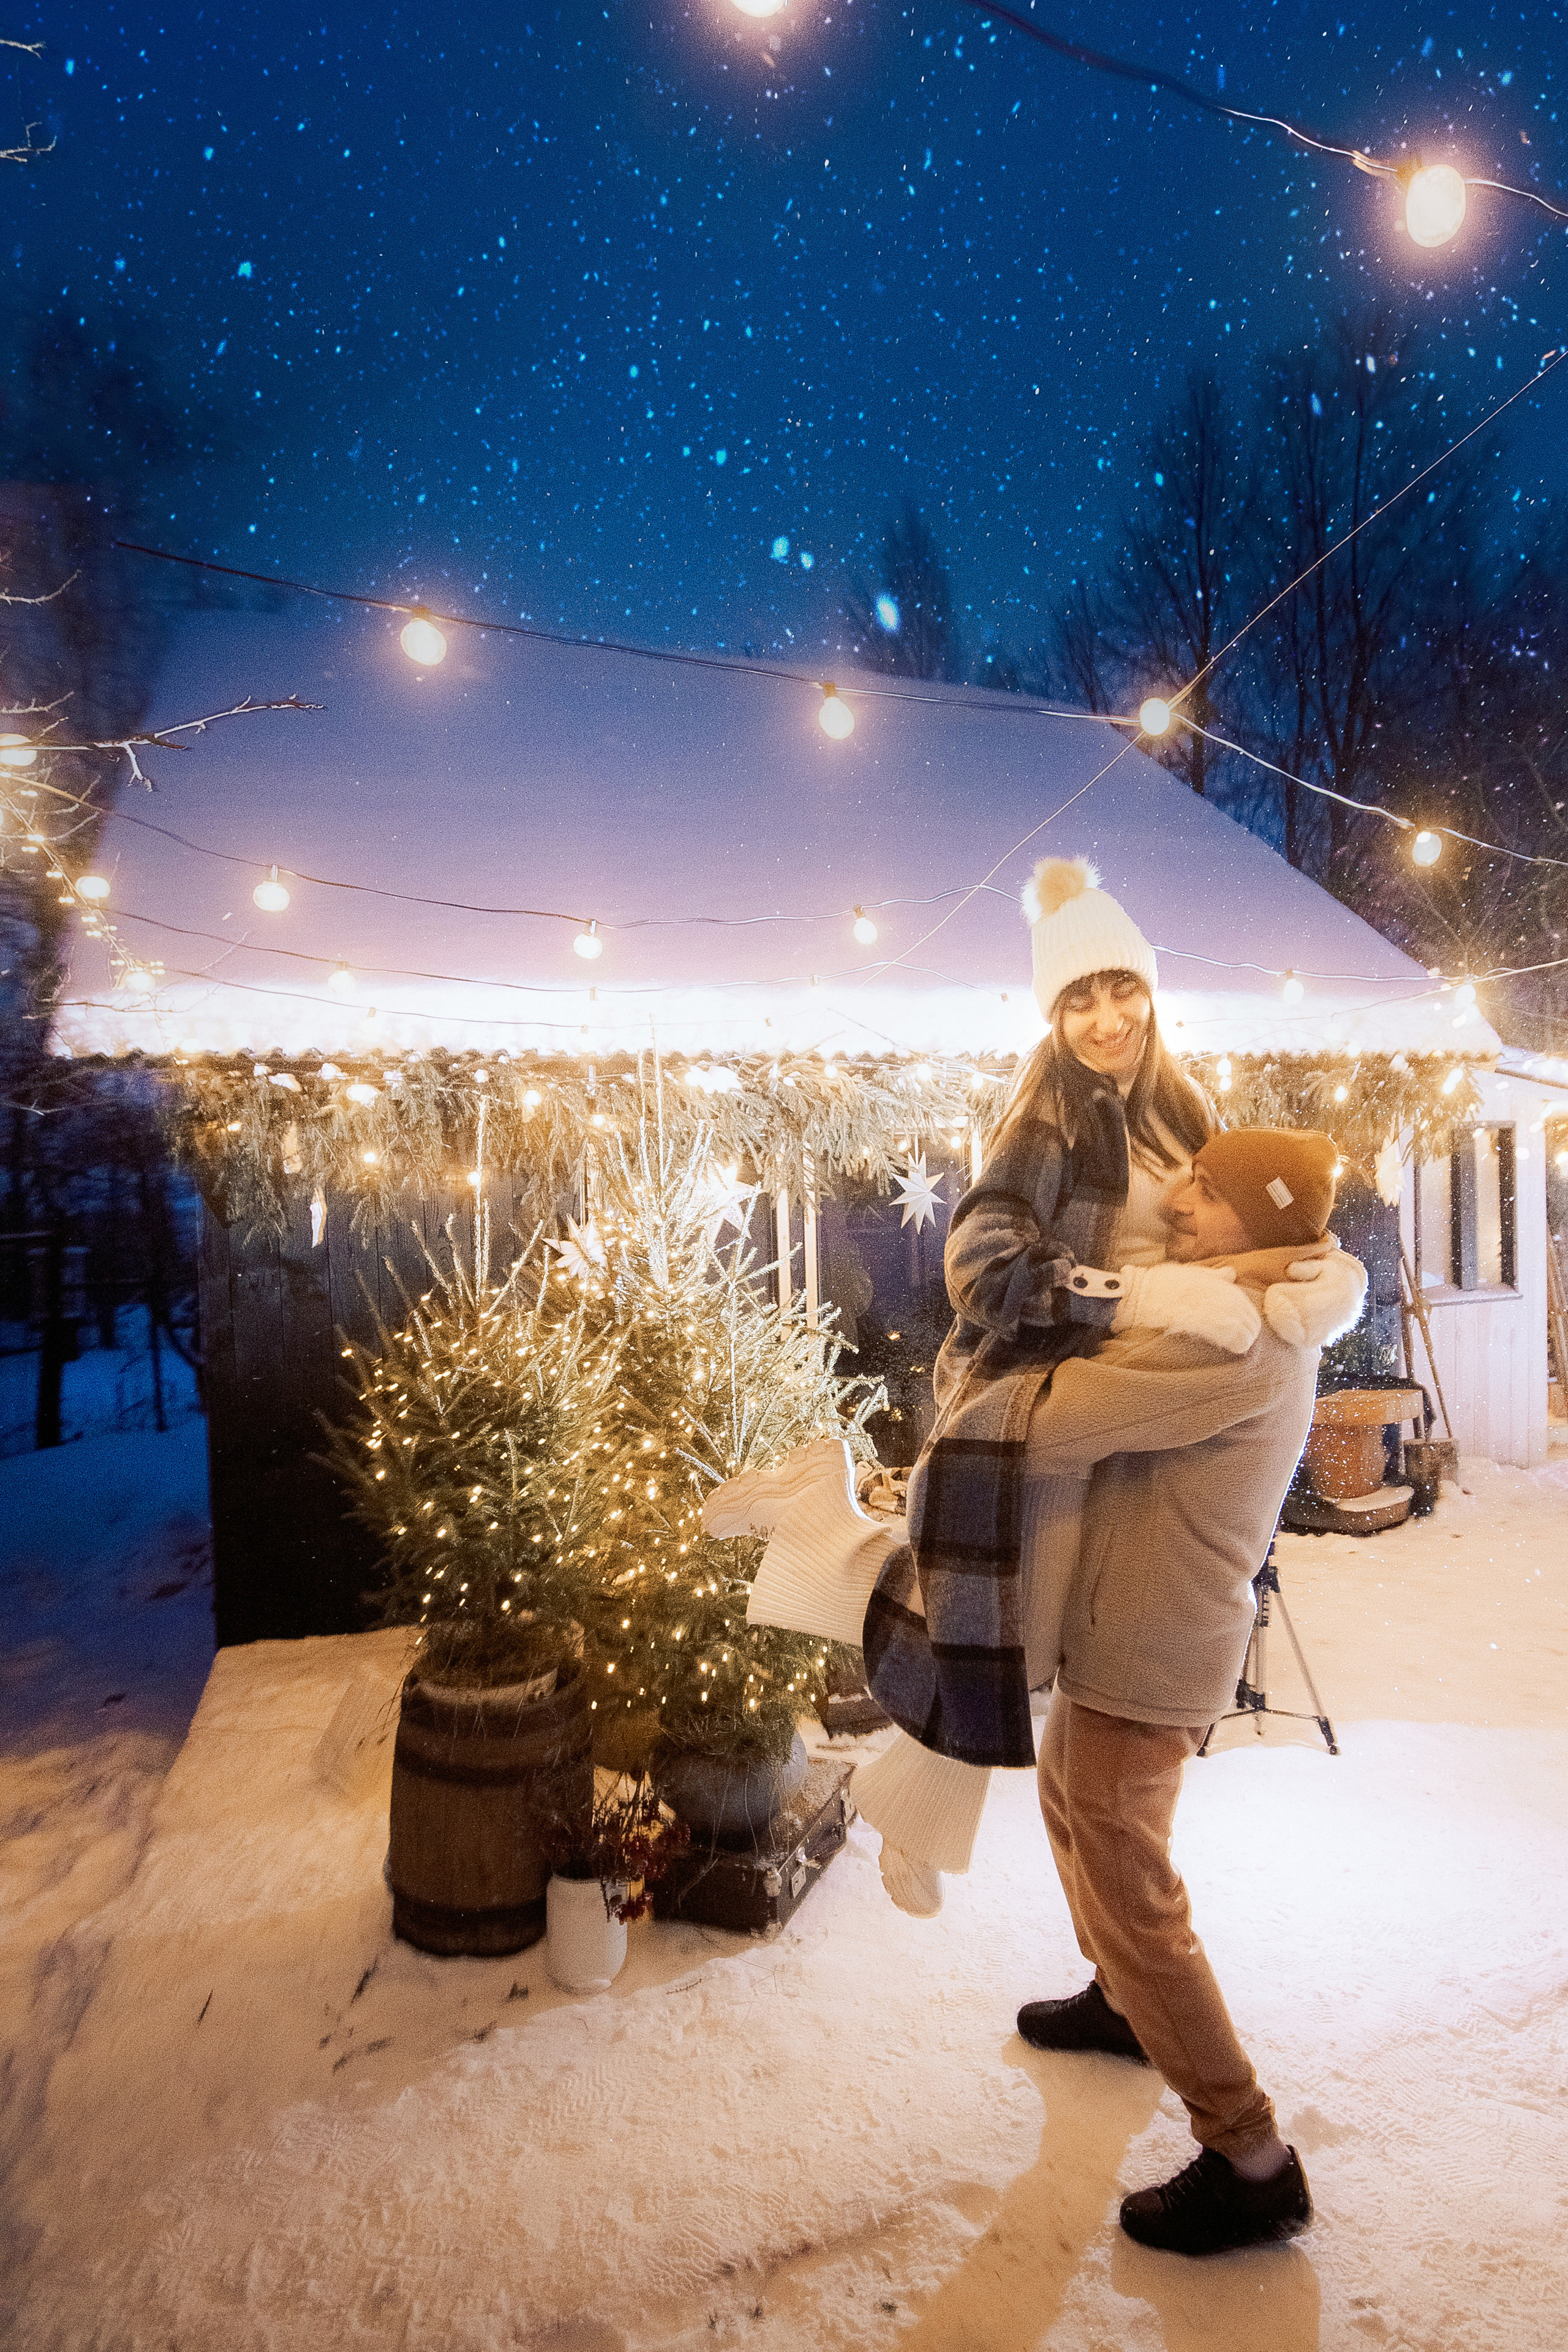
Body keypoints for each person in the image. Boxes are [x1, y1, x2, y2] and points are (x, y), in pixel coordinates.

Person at [704, 858, 1366, 2258]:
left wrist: (967, 1437)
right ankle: (1118, 1997)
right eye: (1079, 994)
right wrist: (1092, 1294)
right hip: (1125, 1516)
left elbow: (1088, 1404)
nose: (1107, 1014)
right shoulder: (1062, 1141)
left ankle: (1247, 2155)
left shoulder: (1235, 1316)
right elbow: (986, 1267)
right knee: (1069, 1794)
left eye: (1124, 985)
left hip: (1148, 1575)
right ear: (1050, 1016)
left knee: (1106, 1827)